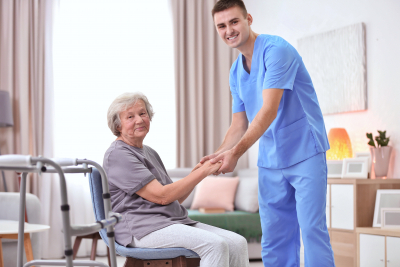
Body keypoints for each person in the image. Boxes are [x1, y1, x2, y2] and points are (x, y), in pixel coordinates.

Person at [195, 0, 336, 266]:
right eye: (221, 26)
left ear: (248, 19)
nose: (229, 30)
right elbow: (238, 124)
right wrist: (217, 155)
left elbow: (269, 111)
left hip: (305, 151)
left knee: (311, 230)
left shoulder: (277, 51)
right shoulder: (236, 71)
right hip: (271, 159)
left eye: (234, 21)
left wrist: (235, 154)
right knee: (274, 237)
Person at [103, 92, 250, 267]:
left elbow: (175, 198)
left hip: (168, 221)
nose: (139, 120)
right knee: (215, 245)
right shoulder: (119, 154)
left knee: (238, 243)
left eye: (142, 113)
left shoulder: (149, 152)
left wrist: (196, 174)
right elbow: (162, 196)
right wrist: (203, 172)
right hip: (142, 228)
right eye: (130, 116)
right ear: (118, 126)